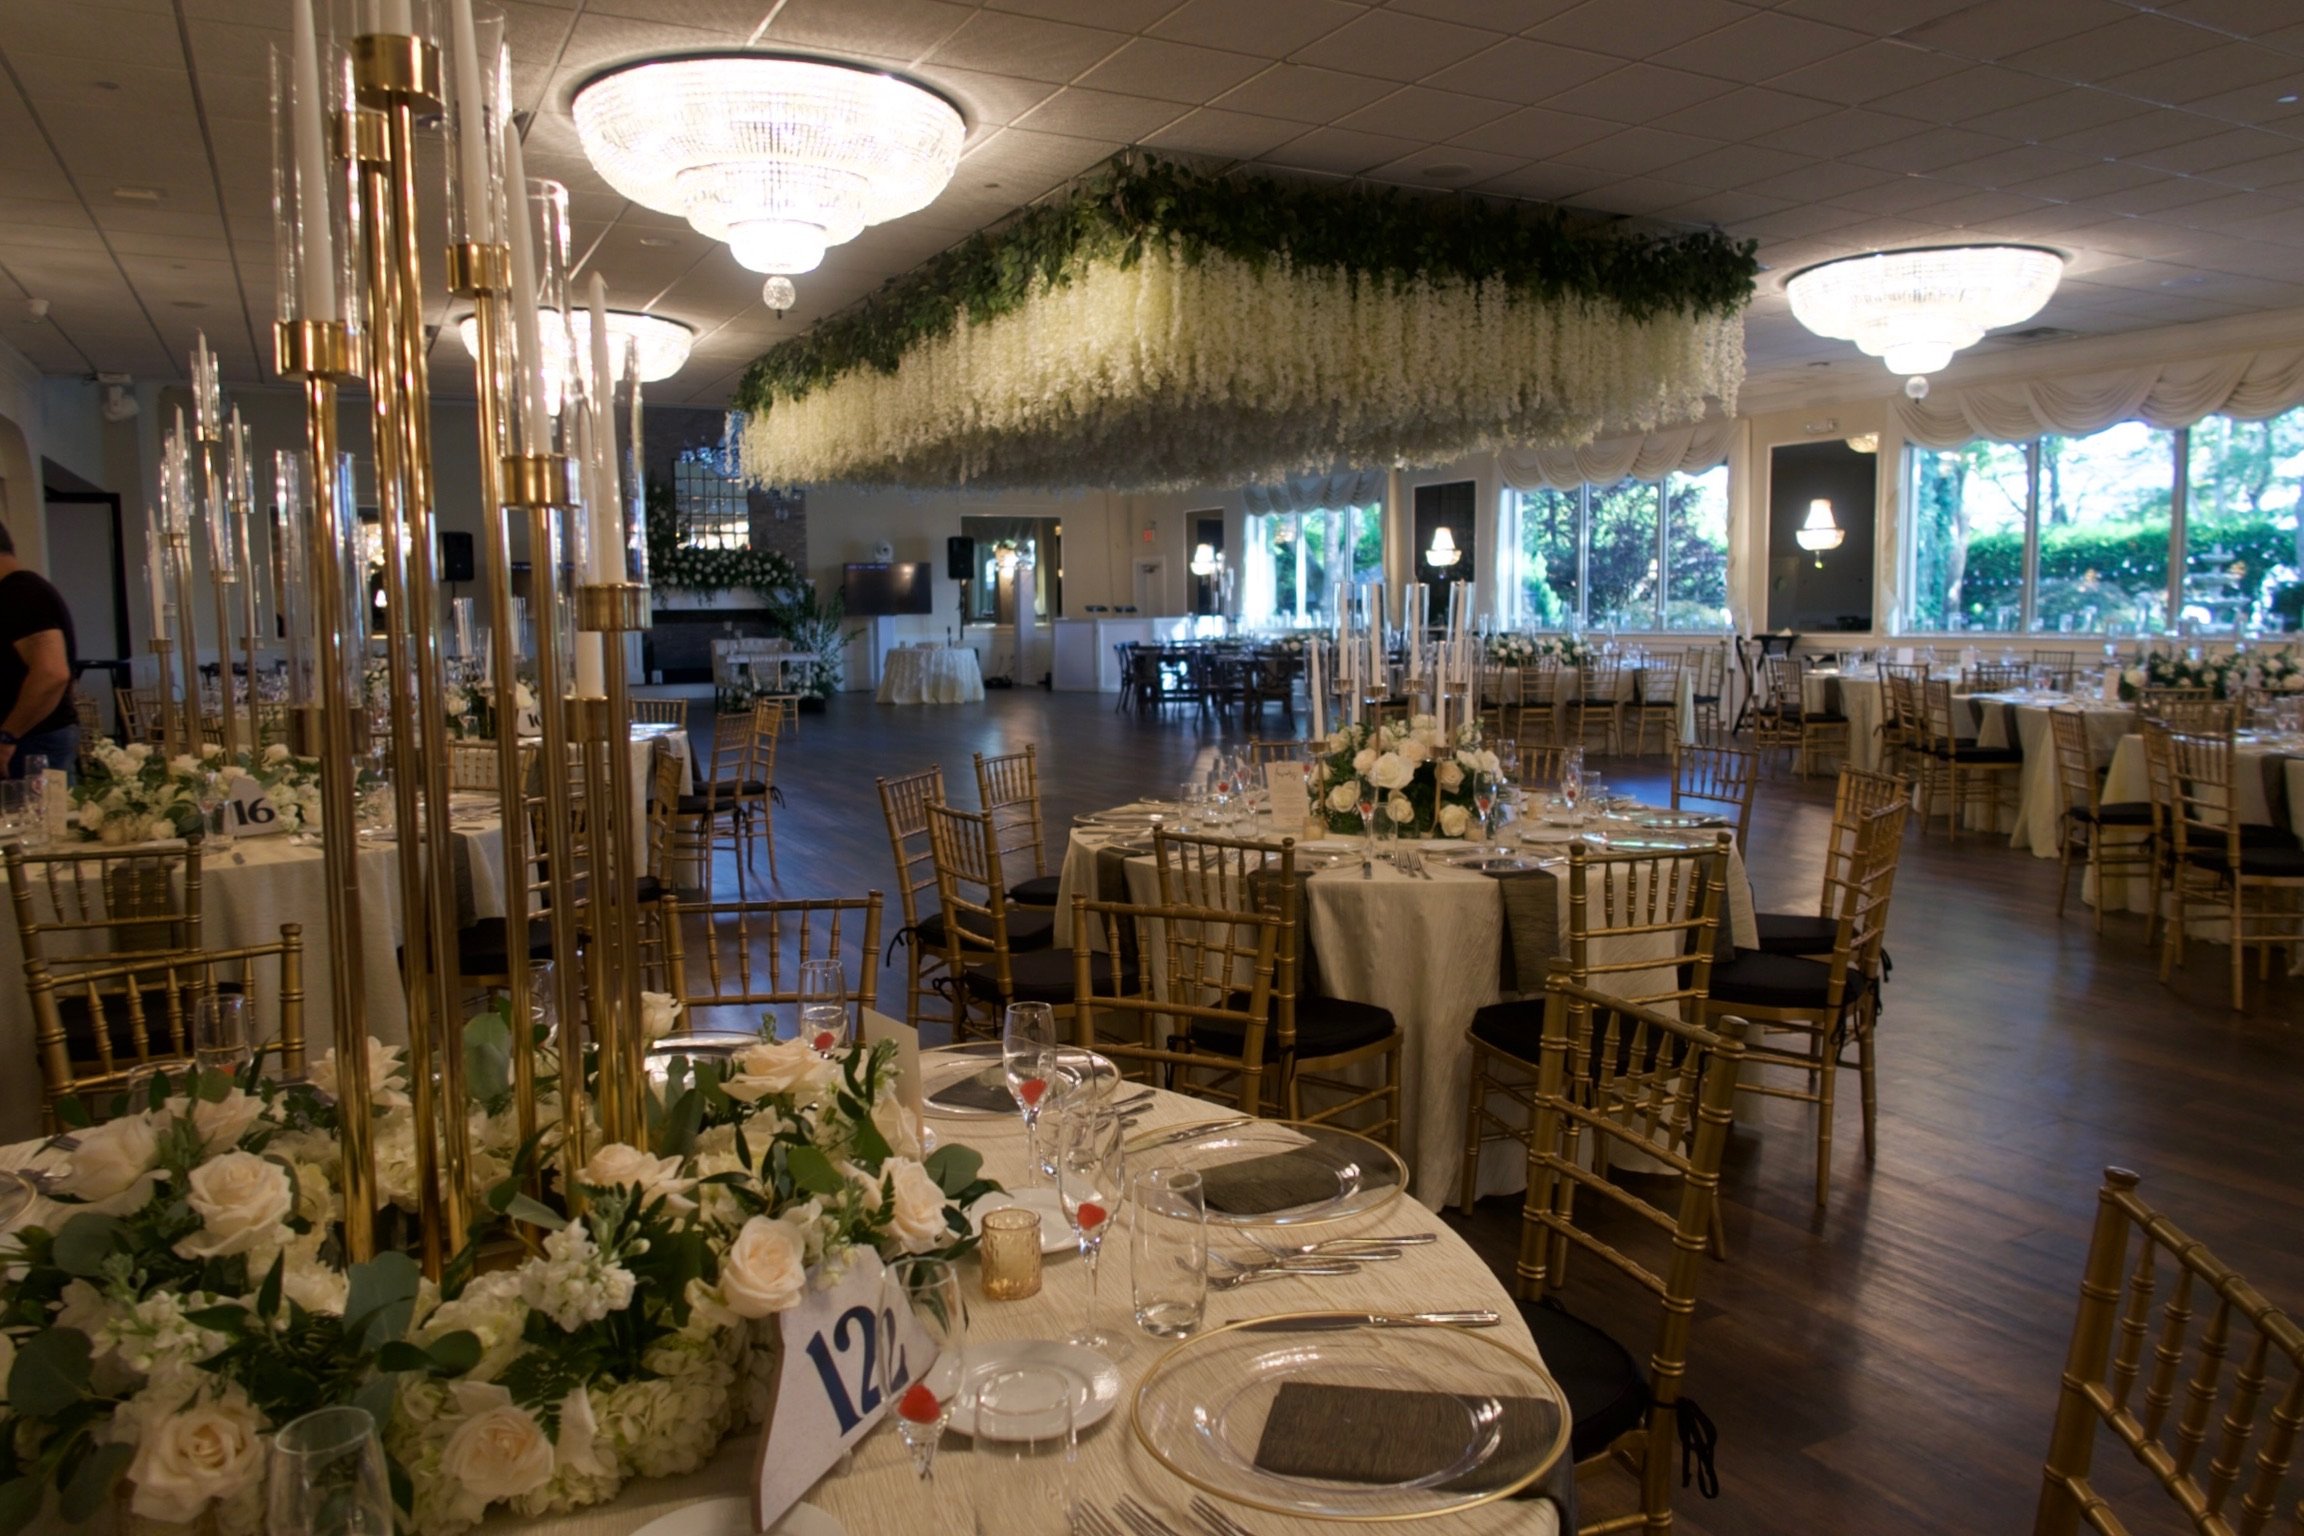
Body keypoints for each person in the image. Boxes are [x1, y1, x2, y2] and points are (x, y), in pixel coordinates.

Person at [0, 518, 78, 780]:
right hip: (29, 740)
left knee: (32, 820)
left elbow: (52, 673)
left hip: (31, 742)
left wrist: (7, 735)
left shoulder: (21, 593)